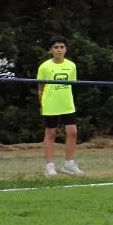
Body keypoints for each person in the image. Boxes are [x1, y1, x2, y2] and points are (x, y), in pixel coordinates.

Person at [37, 36, 85, 176]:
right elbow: (40, 86)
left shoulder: (71, 65)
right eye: (56, 47)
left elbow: (72, 84)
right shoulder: (45, 66)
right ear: (51, 50)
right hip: (51, 104)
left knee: (72, 132)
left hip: (67, 104)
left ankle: (69, 164)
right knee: (51, 133)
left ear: (66, 49)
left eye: (61, 47)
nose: (59, 50)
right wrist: (41, 103)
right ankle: (49, 166)